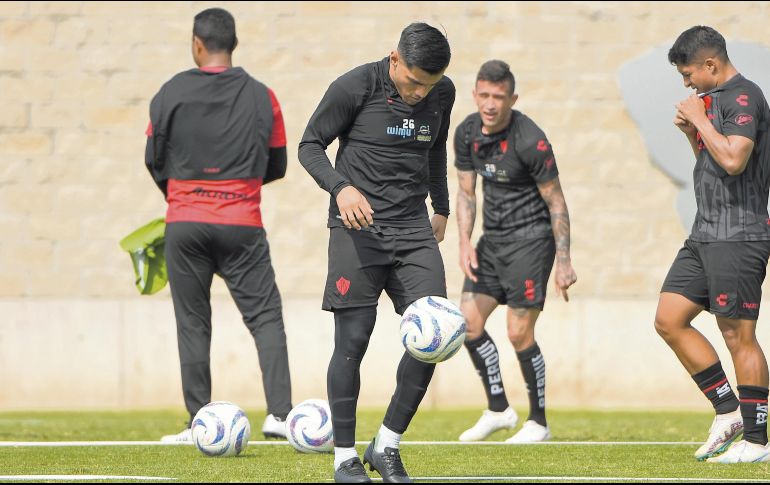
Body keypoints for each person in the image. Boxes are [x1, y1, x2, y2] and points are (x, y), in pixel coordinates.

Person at [298, 22, 455, 483]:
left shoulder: (441, 92)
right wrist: (340, 188)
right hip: (357, 230)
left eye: (427, 85)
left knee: (435, 337)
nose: (418, 93)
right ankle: (344, 458)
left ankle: (386, 444)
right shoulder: (355, 85)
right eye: (412, 82)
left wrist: (441, 207)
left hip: (412, 230)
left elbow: (435, 149)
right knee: (353, 341)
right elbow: (309, 146)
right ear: (394, 59)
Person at [144, 8, 293, 442]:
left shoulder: (169, 92)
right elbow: (278, 162)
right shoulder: (264, 96)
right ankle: (280, 416)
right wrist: (236, 189)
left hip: (185, 224)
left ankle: (199, 422)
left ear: (196, 43)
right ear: (234, 44)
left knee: (192, 322)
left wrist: (184, 197)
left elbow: (153, 159)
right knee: (266, 317)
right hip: (242, 222)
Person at [655, 25, 770, 463]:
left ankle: (758, 441)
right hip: (705, 232)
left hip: (740, 234)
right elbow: (714, 162)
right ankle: (728, 411)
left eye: (688, 74)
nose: (686, 83)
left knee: (738, 334)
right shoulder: (716, 101)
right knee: (669, 318)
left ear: (710, 64)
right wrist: (692, 133)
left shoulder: (744, 96)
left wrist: (700, 118)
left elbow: (736, 160)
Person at [453, 60, 576, 443]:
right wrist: (463, 243)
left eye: (499, 97)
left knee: (518, 333)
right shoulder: (467, 132)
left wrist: (564, 261)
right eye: (484, 95)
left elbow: (556, 201)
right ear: (475, 94)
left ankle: (538, 422)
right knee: (467, 325)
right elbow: (466, 192)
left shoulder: (530, 140)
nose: (490, 104)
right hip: (492, 241)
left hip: (531, 241)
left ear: (512, 99)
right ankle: (498, 409)